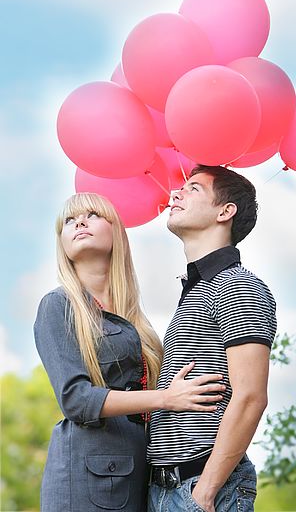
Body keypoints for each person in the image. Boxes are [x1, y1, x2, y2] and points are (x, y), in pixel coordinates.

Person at [34, 192, 225, 512]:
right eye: (69, 221)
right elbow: (76, 399)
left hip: (139, 474)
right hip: (87, 478)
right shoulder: (59, 305)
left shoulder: (137, 321)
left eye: (92, 215)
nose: (79, 222)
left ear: (116, 232)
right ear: (62, 243)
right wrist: (166, 398)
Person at [147, 165, 277, 512]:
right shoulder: (196, 290)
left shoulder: (238, 285)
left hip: (201, 488)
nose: (175, 194)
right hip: (164, 490)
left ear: (225, 211)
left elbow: (251, 396)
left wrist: (205, 491)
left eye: (193, 189)